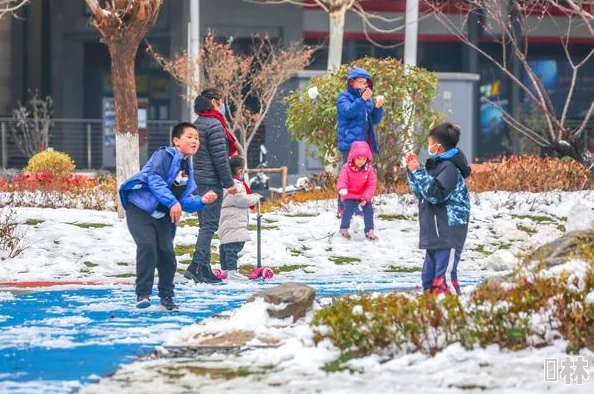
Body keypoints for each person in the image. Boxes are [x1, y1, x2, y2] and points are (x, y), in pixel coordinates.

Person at [119, 122, 218, 310]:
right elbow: (154, 178)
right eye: (189, 136)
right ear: (176, 140)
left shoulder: (187, 168)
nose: (194, 140)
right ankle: (143, 294)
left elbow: (184, 201)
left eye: (196, 137)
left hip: (163, 216)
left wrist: (202, 201)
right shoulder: (165, 154)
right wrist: (172, 203)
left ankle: (167, 297)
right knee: (147, 246)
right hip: (140, 209)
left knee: (167, 255)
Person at [405, 122, 471, 295]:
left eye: (430, 143)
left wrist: (419, 172)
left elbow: (436, 194)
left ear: (439, 147)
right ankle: (431, 315)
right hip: (434, 230)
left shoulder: (449, 168)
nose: (429, 147)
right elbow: (422, 193)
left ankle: (456, 312)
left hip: (447, 231)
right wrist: (414, 172)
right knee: (428, 279)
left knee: (444, 280)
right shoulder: (437, 166)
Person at [185, 88, 239, 284]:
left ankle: (205, 269)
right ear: (215, 102)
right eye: (222, 101)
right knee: (209, 226)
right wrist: (229, 183)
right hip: (211, 182)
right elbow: (220, 159)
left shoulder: (197, 124)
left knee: (204, 225)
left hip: (198, 180)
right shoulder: (215, 125)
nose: (223, 105)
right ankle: (196, 266)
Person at [336, 66, 385, 217]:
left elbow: (374, 120)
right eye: (361, 82)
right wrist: (362, 99)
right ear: (352, 82)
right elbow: (348, 111)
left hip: (364, 144)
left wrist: (378, 108)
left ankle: (353, 204)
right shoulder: (344, 97)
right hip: (350, 144)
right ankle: (344, 206)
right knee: (348, 175)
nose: (364, 85)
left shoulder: (367, 99)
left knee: (361, 177)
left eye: (366, 83)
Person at [218, 155, 262, 280]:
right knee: (233, 247)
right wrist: (255, 197)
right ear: (240, 171)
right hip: (235, 222)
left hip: (225, 220)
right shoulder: (236, 185)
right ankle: (232, 272)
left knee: (225, 246)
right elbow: (242, 199)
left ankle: (225, 270)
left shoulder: (222, 184)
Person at [336, 141, 377, 240]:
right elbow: (342, 179)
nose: (361, 161)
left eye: (364, 159)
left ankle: (369, 230)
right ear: (353, 157)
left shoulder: (369, 169)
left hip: (363, 195)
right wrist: (342, 188)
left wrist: (366, 197)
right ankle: (344, 228)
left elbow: (371, 185)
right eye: (359, 158)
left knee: (368, 210)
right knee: (348, 210)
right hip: (350, 194)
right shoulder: (346, 168)